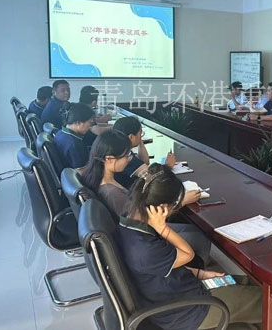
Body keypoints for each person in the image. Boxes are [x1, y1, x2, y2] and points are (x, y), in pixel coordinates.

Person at [114, 163, 262, 330]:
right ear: (161, 208)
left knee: (248, 283)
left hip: (182, 291)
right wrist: (162, 227)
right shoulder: (144, 248)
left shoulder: (128, 225)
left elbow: (161, 268)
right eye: (174, 205)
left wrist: (200, 273)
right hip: (189, 311)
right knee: (264, 302)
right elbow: (188, 254)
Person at [82, 132, 211, 264]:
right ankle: (195, 268)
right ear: (109, 159)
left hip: (137, 234)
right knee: (200, 238)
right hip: (144, 237)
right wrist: (181, 201)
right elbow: (147, 220)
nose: (128, 159)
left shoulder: (98, 178)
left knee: (192, 230)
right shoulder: (112, 194)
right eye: (126, 156)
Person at [112, 116, 176, 188]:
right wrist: (168, 166)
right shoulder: (126, 158)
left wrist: (139, 140)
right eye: (140, 133)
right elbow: (154, 178)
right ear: (131, 137)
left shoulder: (119, 149)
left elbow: (144, 162)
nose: (141, 136)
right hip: (133, 192)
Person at [53, 102, 94, 169]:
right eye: (90, 123)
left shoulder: (60, 133)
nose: (90, 126)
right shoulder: (74, 145)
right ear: (78, 123)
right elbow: (80, 171)